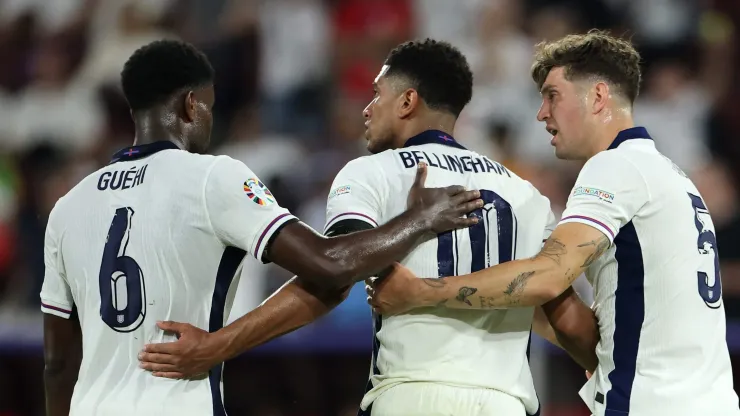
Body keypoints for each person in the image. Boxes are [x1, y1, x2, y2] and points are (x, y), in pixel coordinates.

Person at [138, 38, 597, 416]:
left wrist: (217, 346)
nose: (367, 108)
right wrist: (604, 367)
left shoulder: (373, 173)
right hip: (505, 402)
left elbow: (328, 279)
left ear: (407, 101)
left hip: (410, 395)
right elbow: (564, 313)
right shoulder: (524, 193)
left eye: (377, 94)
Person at [39, 39, 482, 416]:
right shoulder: (212, 177)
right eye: (209, 106)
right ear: (192, 104)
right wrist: (419, 219)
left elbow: (58, 363)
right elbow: (327, 264)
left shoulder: (68, 205)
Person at [368, 30, 740, 416]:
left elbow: (548, 277)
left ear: (597, 97)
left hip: (650, 403)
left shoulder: (615, 166)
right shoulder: (671, 175)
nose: (541, 114)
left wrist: (423, 291)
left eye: (552, 95)